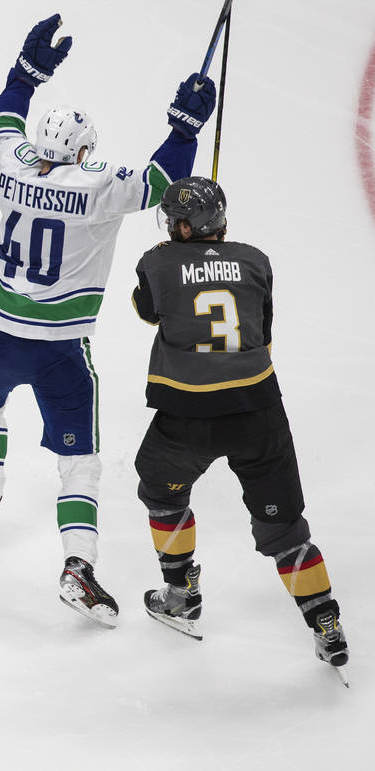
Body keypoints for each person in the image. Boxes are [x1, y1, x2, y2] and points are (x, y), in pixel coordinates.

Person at [0, 13, 217, 627]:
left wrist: (27, 74)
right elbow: (162, 182)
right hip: (59, 349)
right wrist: (185, 126)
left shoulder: (13, 166)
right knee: (80, 463)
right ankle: (78, 566)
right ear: (80, 150)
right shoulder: (97, 183)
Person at [132, 176, 349, 680]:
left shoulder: (157, 261)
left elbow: (147, 311)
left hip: (187, 415)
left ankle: (181, 595)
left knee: (162, 495)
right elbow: (262, 324)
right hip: (258, 410)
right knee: (285, 528)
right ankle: (326, 620)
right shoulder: (255, 260)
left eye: (173, 220)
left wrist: (175, 257)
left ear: (186, 226)